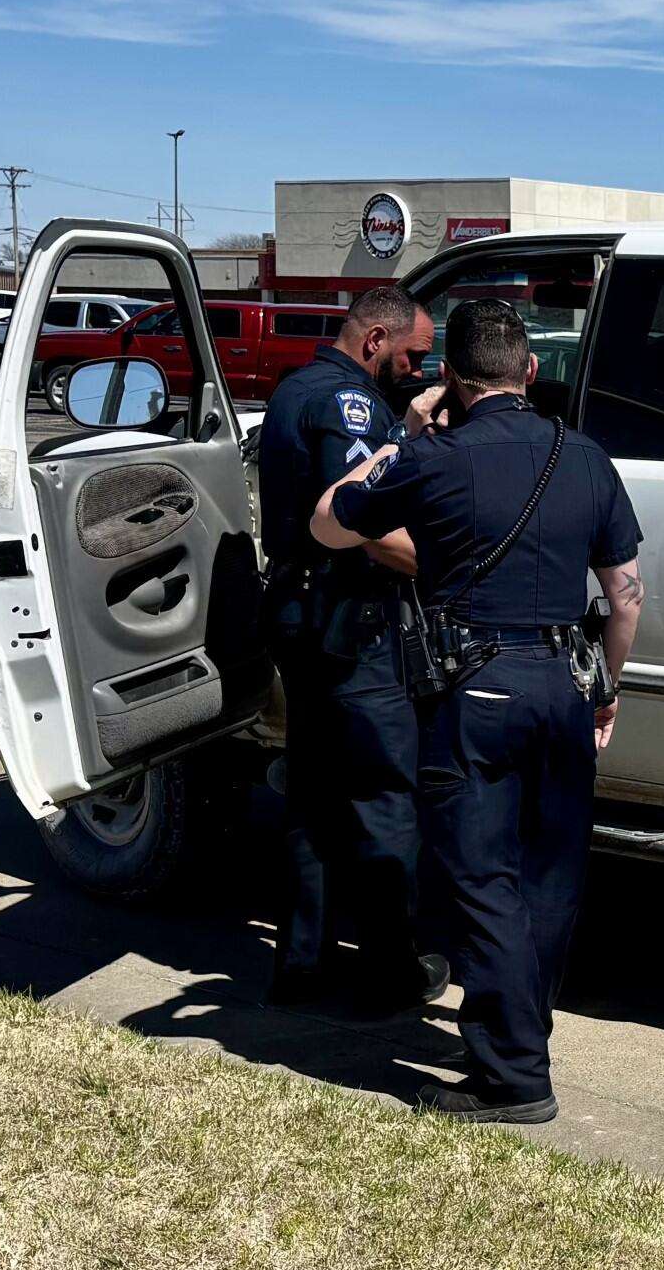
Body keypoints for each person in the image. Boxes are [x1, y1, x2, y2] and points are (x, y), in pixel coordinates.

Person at [313, 297, 643, 1123]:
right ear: (530, 370)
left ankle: (514, 1079)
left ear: (450, 379)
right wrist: (606, 688)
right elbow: (626, 597)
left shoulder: (433, 457)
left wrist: (405, 431)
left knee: (480, 880)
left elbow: (326, 524)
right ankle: (517, 1040)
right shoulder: (588, 457)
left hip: (474, 694)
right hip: (565, 688)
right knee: (552, 879)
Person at [256, 283, 447, 1015]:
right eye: (411, 357)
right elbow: (357, 511)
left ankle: (301, 966)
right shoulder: (352, 405)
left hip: (303, 618)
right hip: (350, 622)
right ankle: (391, 970)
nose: (419, 370)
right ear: (374, 342)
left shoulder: (295, 389)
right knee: (382, 798)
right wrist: (445, 565)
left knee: (313, 796)